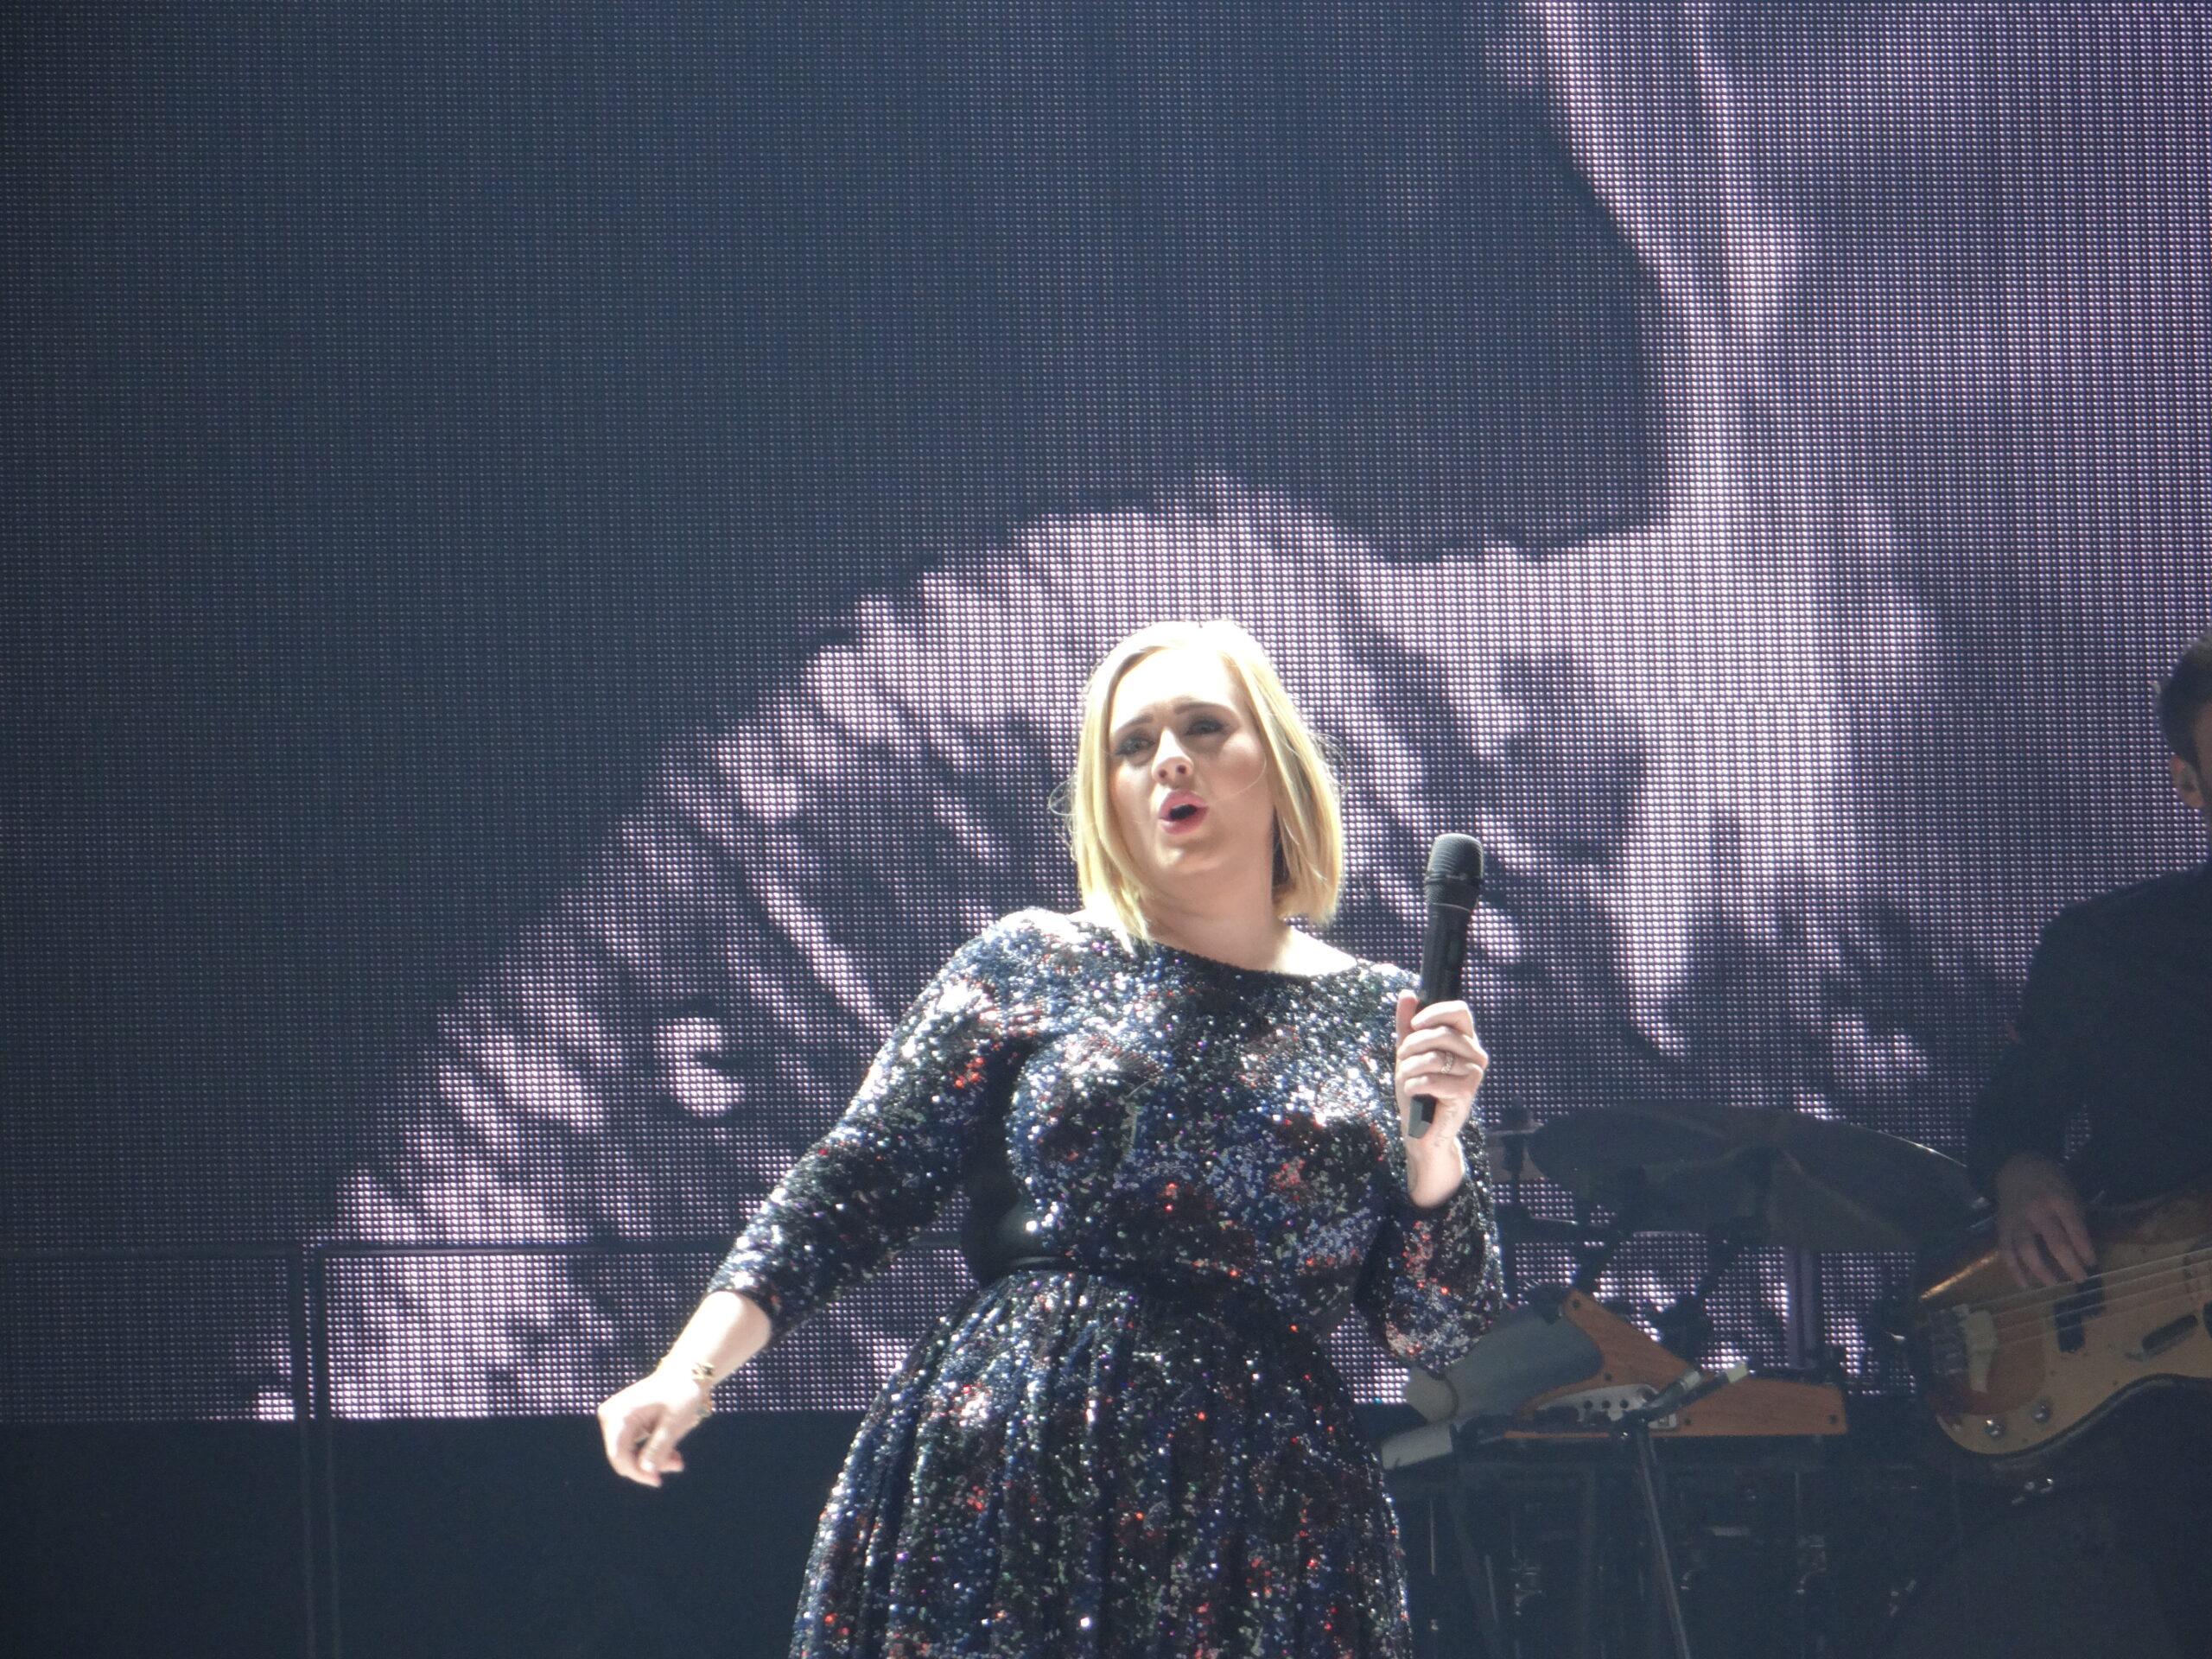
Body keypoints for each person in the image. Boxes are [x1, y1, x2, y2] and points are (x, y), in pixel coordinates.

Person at [596, 618, 1503, 1657]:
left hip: (1263, 1499)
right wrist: (689, 1370)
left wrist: (1433, 1160)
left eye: (1204, 727)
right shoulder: (1033, 961)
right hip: (1019, 1459)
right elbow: (856, 1183)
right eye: (1134, 743)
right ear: (1106, 795)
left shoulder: (1385, 1015)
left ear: (1281, 765)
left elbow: (1439, 1336)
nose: (1169, 759)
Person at [1964, 627, 2212, 1645]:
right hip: (2180, 1395)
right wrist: (2023, 1173)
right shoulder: (2104, 949)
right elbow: (2012, 1116)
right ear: (2187, 782)